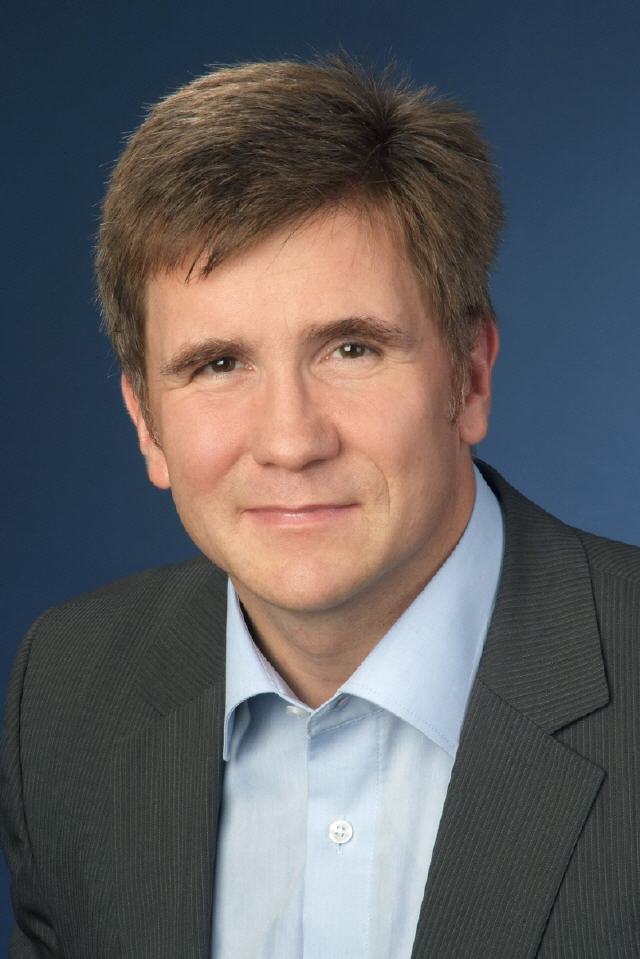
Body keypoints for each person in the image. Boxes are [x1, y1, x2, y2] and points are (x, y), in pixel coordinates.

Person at [1, 53, 638, 959]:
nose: (291, 441)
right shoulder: (67, 693)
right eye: (218, 364)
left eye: (351, 349)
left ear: (469, 376)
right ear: (146, 422)